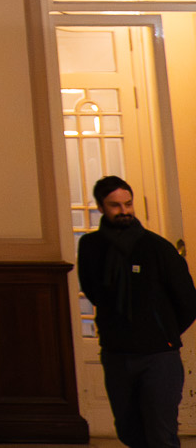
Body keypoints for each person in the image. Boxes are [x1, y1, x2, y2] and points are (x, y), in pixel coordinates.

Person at [77, 176, 196, 448]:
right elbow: (93, 290)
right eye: (115, 205)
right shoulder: (92, 247)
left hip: (158, 355)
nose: (124, 211)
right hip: (116, 353)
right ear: (101, 207)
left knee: (160, 433)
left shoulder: (157, 248)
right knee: (128, 430)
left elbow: (188, 300)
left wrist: (162, 332)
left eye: (128, 204)